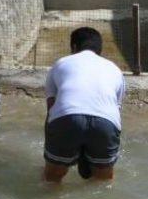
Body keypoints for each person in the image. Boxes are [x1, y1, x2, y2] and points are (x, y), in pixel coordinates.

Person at [43, 27, 126, 183]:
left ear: (74, 47)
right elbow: (116, 111)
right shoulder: (115, 70)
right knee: (103, 182)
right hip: (106, 122)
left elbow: (51, 109)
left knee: (51, 180)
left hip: (67, 117)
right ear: (100, 50)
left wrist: (52, 151)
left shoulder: (60, 64)